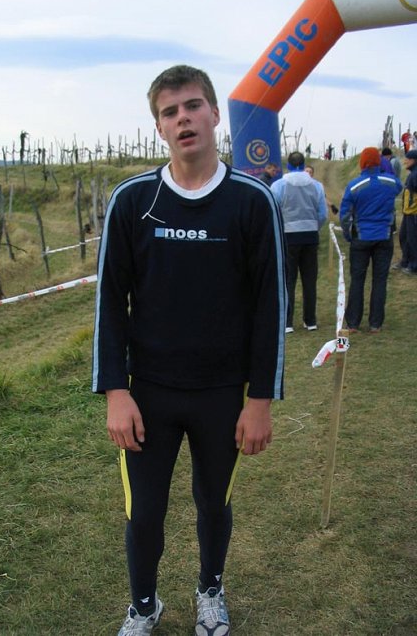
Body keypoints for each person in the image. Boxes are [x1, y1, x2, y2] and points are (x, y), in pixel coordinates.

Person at [91, 64, 287, 636]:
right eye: (170, 112)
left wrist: (260, 401)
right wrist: (116, 391)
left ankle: (210, 591)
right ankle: (144, 606)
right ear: (159, 126)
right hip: (148, 392)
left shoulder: (252, 200)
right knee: (144, 512)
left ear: (215, 114)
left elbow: (271, 308)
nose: (184, 119)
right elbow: (110, 303)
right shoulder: (133, 199)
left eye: (194, 105)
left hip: (222, 393)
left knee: (213, 503)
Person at [339, 147, 402, 333]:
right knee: (380, 280)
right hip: (384, 235)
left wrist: (348, 235)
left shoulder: (354, 185)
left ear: (362, 163)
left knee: (357, 279)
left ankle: (353, 323)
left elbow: (345, 215)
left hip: (361, 236)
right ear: (379, 161)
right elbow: (399, 187)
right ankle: (376, 324)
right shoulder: (391, 182)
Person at [271, 151, 327, 333]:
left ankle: (287, 322)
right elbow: (322, 214)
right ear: (304, 165)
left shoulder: (278, 185)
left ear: (288, 166)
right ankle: (310, 321)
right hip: (310, 235)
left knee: (288, 280)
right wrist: (314, 227)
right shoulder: (316, 186)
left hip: (288, 236)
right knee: (309, 279)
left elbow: (273, 211)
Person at [394, 149, 417, 274]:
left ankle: (414, 265)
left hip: (414, 213)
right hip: (408, 212)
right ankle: (405, 261)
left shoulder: (416, 175)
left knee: (413, 240)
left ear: (414, 160)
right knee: (404, 236)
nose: (405, 161)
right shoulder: (412, 174)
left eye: (407, 159)